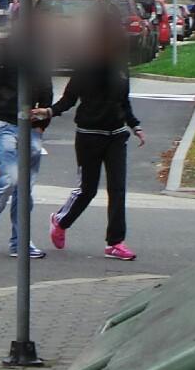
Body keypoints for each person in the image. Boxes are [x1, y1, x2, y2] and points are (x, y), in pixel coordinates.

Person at [48, 15, 145, 260]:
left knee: (118, 189)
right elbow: (69, 99)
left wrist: (135, 125)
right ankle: (61, 220)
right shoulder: (87, 66)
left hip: (116, 136)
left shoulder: (121, 67)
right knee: (87, 189)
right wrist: (50, 112)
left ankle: (115, 242)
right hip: (89, 135)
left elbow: (123, 101)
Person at [0, 17, 53, 258]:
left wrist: (42, 124)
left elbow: (46, 88)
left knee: (24, 188)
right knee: (11, 178)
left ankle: (20, 241)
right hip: (3, 123)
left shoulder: (38, 55)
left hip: (30, 124)